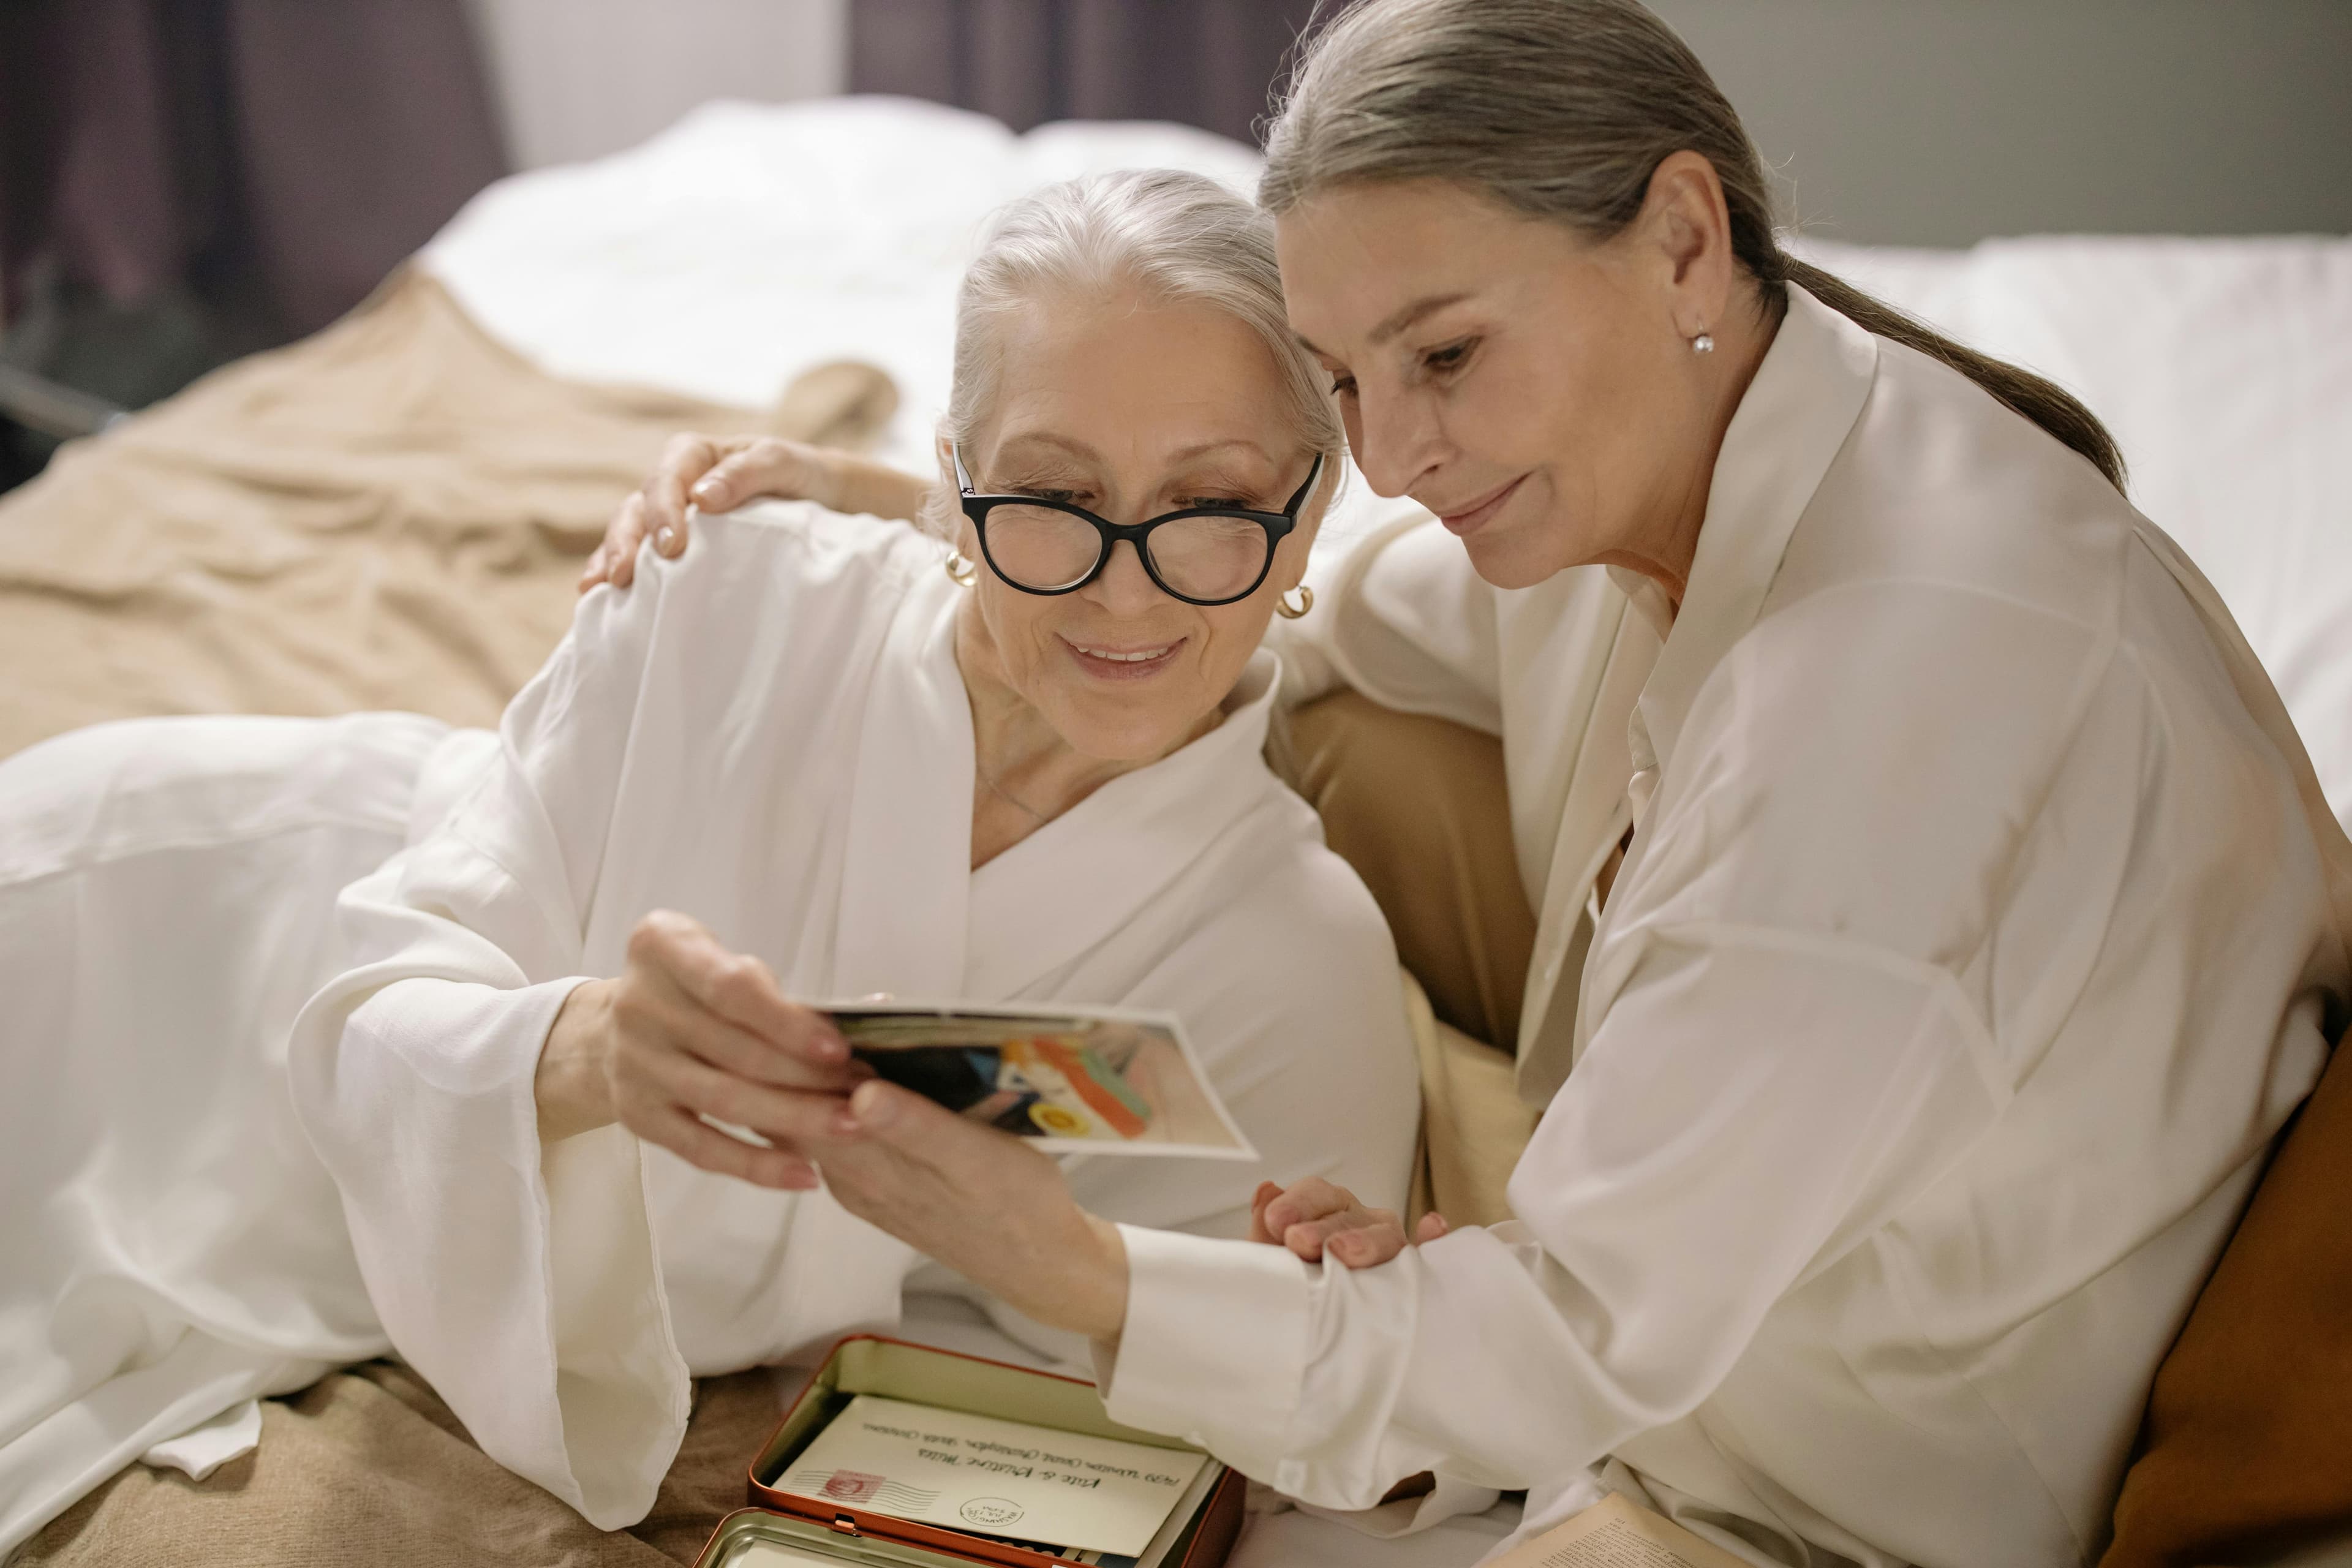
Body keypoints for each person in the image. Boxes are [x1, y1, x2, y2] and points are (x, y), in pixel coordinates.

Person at [592, 2, 2352, 1562]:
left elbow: (1571, 1340)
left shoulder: (1888, 734)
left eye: (1443, 356)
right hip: (1739, 1252)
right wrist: (973, 520)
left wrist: (1082, 1274)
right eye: (1347, 381)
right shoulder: (1651, 458)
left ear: (1681, 241)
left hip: (1848, 1492)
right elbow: (1316, 609)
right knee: (1322, 717)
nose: (1397, 453)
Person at [0, 169, 1421, 1555]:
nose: (1126, 581)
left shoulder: (1287, 966)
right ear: (952, 477)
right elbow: (374, 999)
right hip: (176, 938)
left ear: (1308, 510)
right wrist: (590, 1047)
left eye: (1210, 503)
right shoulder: (727, 594)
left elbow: (1288, 1394)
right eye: (1053, 493)